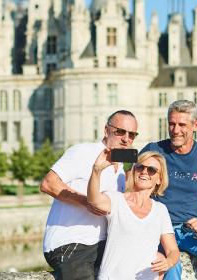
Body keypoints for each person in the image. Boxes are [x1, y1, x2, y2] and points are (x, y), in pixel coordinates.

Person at [40, 110, 138, 280]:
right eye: (120, 131)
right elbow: (49, 183)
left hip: (104, 244)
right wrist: (87, 202)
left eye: (132, 135)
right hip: (71, 242)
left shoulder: (122, 170)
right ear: (106, 130)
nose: (126, 139)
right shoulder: (83, 151)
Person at [141, 100, 197, 280]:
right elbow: (131, 184)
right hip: (158, 230)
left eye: (182, 125)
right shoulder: (154, 150)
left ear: (195, 125)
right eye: (171, 124)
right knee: (172, 267)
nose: (175, 130)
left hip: (190, 231)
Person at [87, 151, 180, 280]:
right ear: (134, 171)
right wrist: (96, 170)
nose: (144, 172)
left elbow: (173, 251)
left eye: (151, 170)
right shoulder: (117, 200)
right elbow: (94, 200)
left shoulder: (160, 210)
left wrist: (167, 262)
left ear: (159, 179)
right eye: (140, 167)